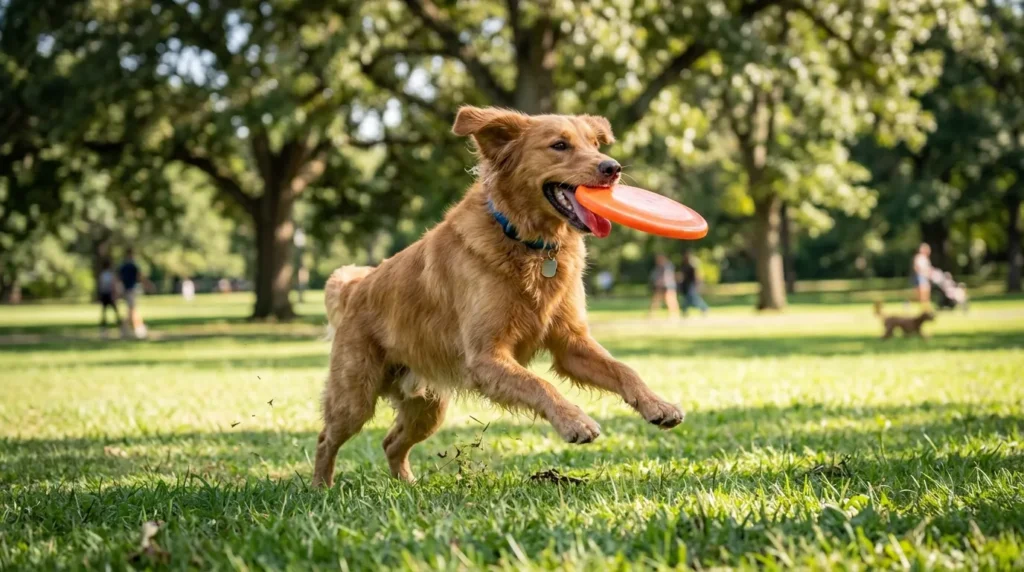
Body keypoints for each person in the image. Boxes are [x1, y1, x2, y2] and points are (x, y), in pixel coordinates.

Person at [119, 248, 147, 339]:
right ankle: (138, 328)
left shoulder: (123, 266)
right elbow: (139, 277)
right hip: (130, 289)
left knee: (131, 310)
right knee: (132, 309)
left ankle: (125, 328)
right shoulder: (131, 266)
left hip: (127, 290)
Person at [97, 259, 123, 339]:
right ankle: (119, 324)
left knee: (105, 311)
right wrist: (115, 294)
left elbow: (101, 285)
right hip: (109, 294)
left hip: (104, 294)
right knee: (114, 310)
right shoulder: (110, 275)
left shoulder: (102, 275)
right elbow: (113, 285)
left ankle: (104, 325)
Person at [648, 254, 680, 318]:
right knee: (656, 299)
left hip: (668, 285)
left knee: (671, 300)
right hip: (662, 286)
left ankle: (674, 314)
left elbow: (667, 276)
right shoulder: (659, 266)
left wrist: (661, 282)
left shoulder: (668, 265)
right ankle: (652, 313)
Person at [678, 252, 709, 317]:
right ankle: (684, 311)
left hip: (692, 284)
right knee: (686, 298)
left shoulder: (693, 265)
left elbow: (697, 275)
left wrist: (698, 284)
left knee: (693, 298)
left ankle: (704, 308)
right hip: (685, 284)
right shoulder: (683, 265)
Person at [911, 243, 933, 310]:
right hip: (921, 277)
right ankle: (924, 308)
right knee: (922, 294)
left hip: (925, 277)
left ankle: (926, 307)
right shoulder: (919, 257)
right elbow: (916, 268)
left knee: (926, 293)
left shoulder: (926, 258)